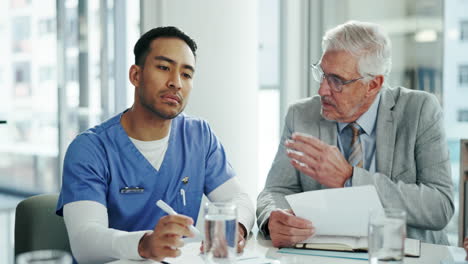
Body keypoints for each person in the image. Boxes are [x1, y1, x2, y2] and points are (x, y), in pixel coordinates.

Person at [56, 26, 254, 263]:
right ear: (135, 75)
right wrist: (144, 244)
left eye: (187, 74)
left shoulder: (198, 136)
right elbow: (84, 242)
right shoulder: (90, 149)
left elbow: (238, 199)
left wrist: (237, 228)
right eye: (163, 68)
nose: (176, 83)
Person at [256, 20, 454, 247]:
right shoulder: (300, 116)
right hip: (323, 256)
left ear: (373, 84)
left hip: (405, 255)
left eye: (337, 81)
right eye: (322, 74)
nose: (322, 89)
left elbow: (440, 206)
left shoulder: (419, 111)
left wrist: (349, 178)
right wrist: (274, 217)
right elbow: (275, 190)